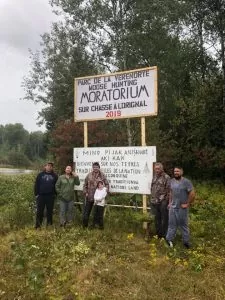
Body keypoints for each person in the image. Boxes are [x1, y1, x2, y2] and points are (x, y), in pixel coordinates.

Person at [166, 167, 195, 248]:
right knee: (171, 225)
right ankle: (169, 240)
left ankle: (186, 242)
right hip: (172, 207)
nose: (176, 173)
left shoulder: (186, 182)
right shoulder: (171, 181)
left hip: (182, 208)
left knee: (183, 225)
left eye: (178, 171)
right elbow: (171, 192)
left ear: (182, 172)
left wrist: (187, 204)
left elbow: (192, 193)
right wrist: (169, 203)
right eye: (175, 171)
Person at [83, 162, 109, 228]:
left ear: (99, 168)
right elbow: (84, 185)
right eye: (94, 167)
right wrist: (85, 192)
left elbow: (107, 184)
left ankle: (95, 226)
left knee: (97, 214)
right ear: (92, 168)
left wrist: (105, 191)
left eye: (97, 167)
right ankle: (84, 226)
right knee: (86, 213)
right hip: (90, 197)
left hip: (98, 199)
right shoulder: (89, 175)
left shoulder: (102, 175)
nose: (95, 168)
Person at [34, 162, 58, 229]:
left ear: (52, 167)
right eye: (48, 166)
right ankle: (38, 226)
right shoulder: (40, 175)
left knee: (49, 212)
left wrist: (55, 194)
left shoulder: (55, 176)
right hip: (41, 196)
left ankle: (49, 226)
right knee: (39, 211)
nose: (49, 167)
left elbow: (57, 186)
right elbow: (36, 184)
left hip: (50, 196)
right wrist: (36, 194)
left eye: (50, 166)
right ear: (45, 167)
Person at [150, 162, 170, 238]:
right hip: (155, 201)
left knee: (164, 219)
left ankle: (165, 236)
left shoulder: (166, 177)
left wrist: (166, 202)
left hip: (163, 202)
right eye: (156, 169)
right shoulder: (154, 176)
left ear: (162, 169)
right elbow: (152, 188)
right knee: (156, 219)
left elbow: (169, 191)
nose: (157, 170)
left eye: (158, 169)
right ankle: (158, 234)